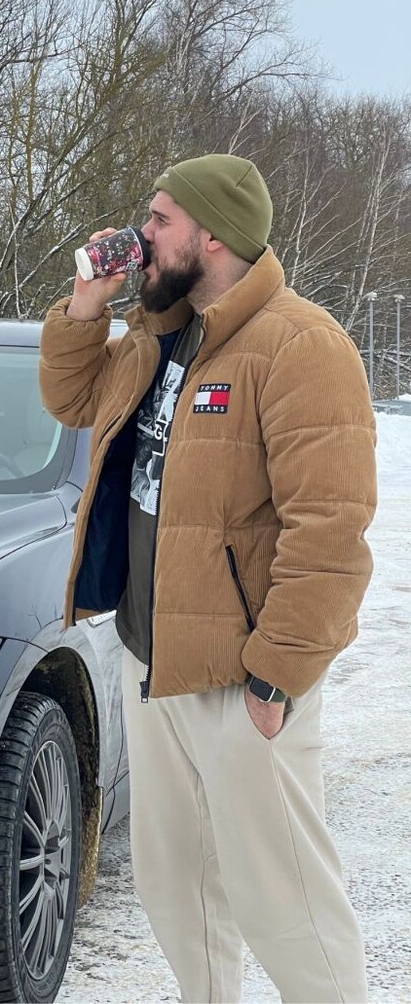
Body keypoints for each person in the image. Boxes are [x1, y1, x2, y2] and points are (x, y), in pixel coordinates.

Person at [39, 153, 376, 1003]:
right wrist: (88, 305)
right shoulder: (162, 335)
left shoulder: (299, 344)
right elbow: (69, 400)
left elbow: (330, 525)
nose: (139, 235)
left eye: (157, 221)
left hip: (241, 673)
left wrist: (279, 670)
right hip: (152, 654)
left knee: (281, 898)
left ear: (211, 234)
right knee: (175, 885)